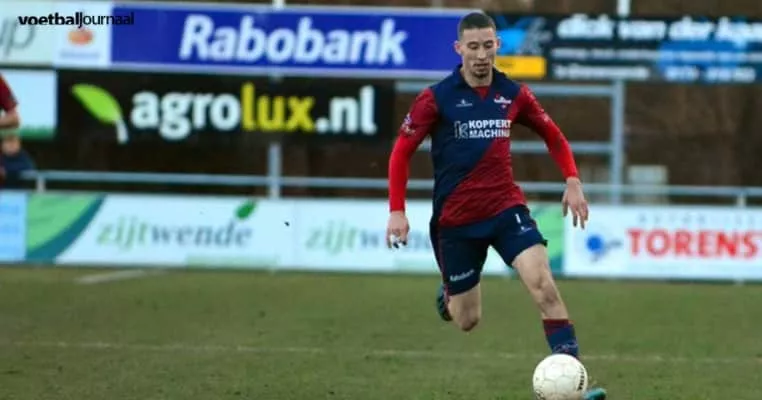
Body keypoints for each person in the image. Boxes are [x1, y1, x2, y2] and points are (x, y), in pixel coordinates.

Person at [385, 12, 607, 400]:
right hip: (456, 223)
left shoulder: (514, 94)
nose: (481, 54)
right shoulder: (436, 98)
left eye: (488, 45)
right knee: (467, 320)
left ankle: (574, 380)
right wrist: (397, 210)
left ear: (497, 46)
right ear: (459, 49)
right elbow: (401, 152)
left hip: (506, 210)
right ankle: (449, 294)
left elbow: (553, 136)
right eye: (473, 47)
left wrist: (572, 179)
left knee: (544, 286)